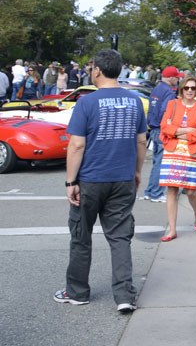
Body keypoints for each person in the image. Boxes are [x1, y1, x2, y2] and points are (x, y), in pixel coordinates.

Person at [54, 48, 147, 313]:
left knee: (81, 236)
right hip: (123, 178)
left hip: (91, 180)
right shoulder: (134, 101)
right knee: (120, 237)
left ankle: (78, 292)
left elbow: (76, 146)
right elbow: (141, 141)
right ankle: (124, 295)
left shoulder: (87, 102)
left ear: (97, 70)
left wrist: (71, 182)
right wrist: (137, 171)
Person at [157, 75, 196, 240]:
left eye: (193, 88)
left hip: (192, 151)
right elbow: (164, 127)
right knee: (171, 189)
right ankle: (172, 229)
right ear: (181, 89)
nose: (190, 91)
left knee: (191, 190)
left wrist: (177, 130)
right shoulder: (172, 104)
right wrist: (187, 130)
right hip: (172, 150)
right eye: (187, 88)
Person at [142, 67, 184, 203]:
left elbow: (153, 109)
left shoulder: (157, 89)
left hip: (154, 128)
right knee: (161, 162)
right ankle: (156, 193)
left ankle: (150, 191)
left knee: (157, 161)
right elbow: (166, 111)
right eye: (176, 77)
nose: (178, 79)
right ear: (171, 78)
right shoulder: (168, 92)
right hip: (162, 130)